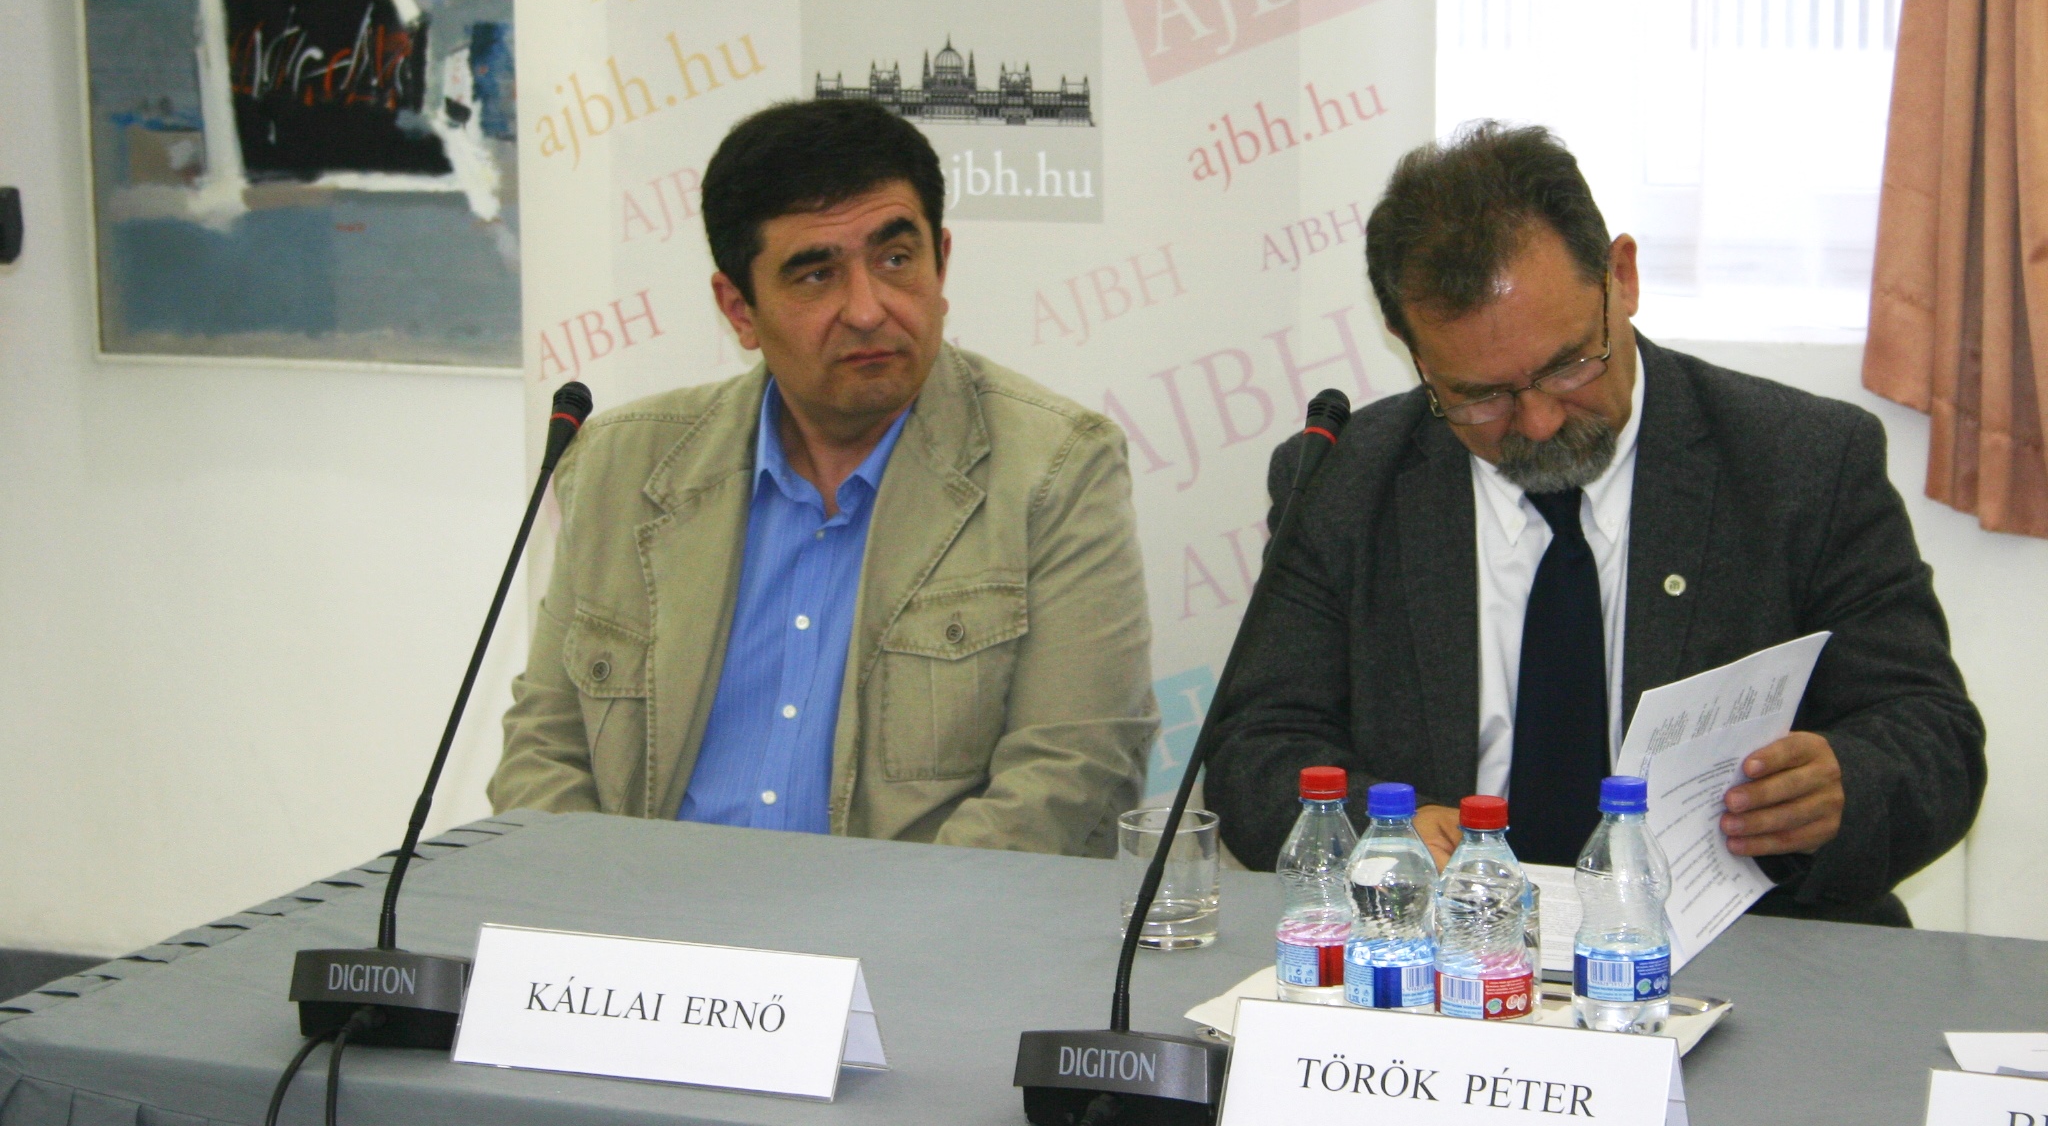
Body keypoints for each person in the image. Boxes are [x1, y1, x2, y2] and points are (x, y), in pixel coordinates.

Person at [1206, 121, 1985, 924]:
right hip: (1445, 960)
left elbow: (1935, 740)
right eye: (1480, 395)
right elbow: (1255, 753)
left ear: (1622, 279)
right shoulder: (1342, 481)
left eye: (1569, 365)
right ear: (1412, 351)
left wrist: (1841, 786)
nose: (1538, 421)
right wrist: (1382, 836)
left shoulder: (1803, 463)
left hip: (1748, 949)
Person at [490, 99, 1158, 856]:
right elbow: (544, 752)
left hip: (917, 924)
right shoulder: (620, 465)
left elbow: (1068, 774)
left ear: (941, 264)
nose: (868, 310)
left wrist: (867, 927)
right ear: (739, 309)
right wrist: (617, 910)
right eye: (816, 275)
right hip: (647, 915)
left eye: (896, 259)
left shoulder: (1056, 469)